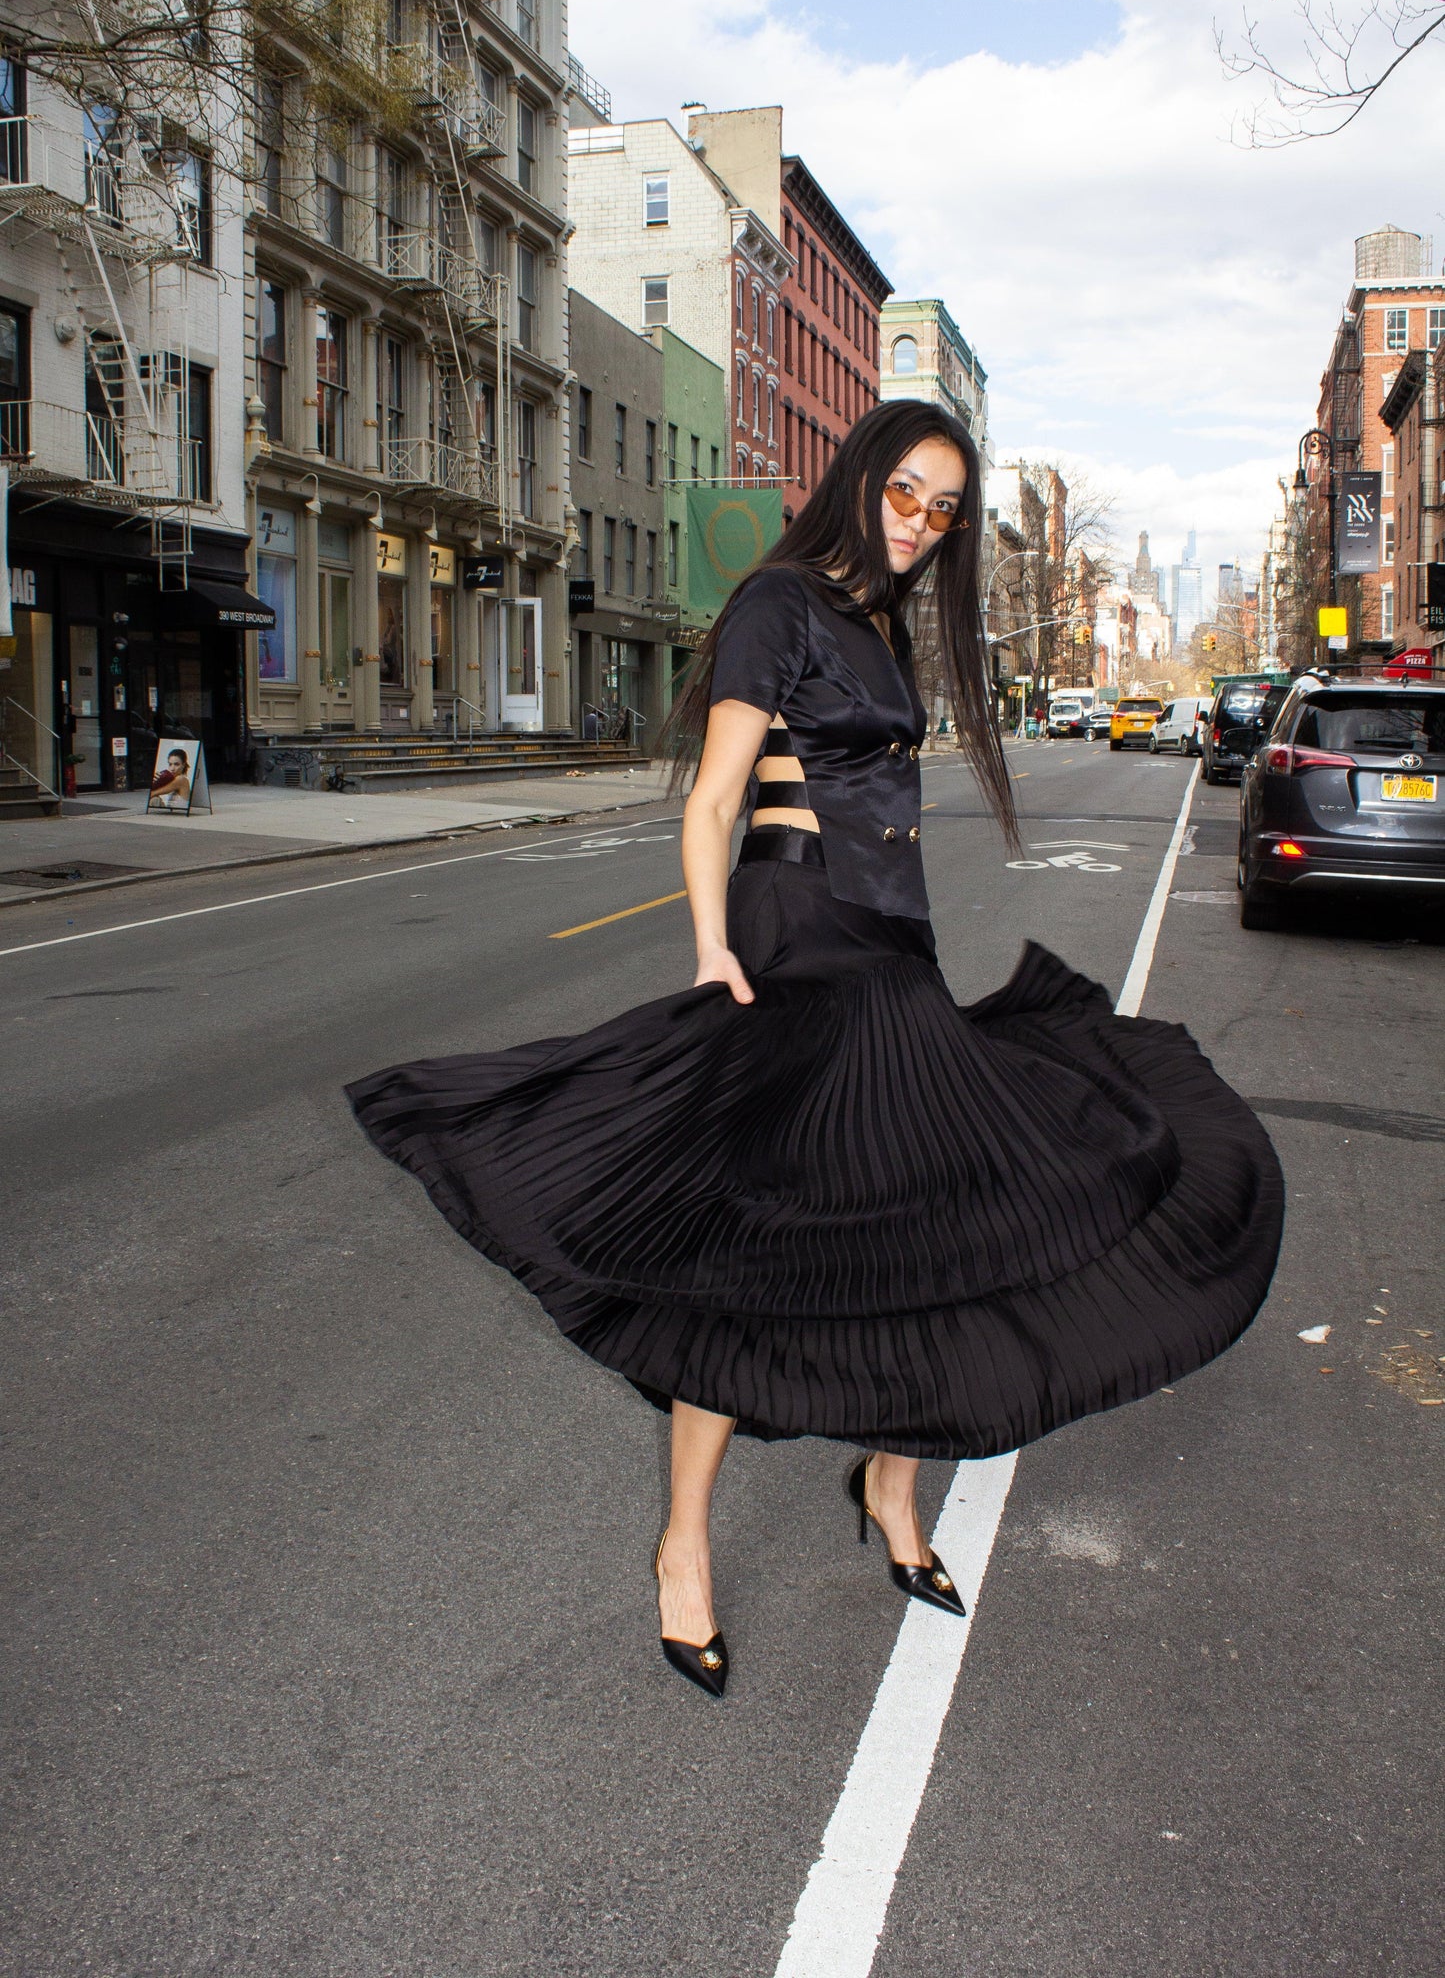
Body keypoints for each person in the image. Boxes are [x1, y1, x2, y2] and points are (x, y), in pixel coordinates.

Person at [347, 402, 1281, 1700]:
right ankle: (684, 1548)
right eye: (906, 493)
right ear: (858, 481)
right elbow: (719, 794)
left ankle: (890, 1486)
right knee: (753, 1253)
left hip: (890, 952)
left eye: (943, 508)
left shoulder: (886, 625)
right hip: (794, 937)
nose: (921, 523)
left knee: (935, 1219)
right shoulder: (778, 603)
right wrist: (713, 948)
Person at [149, 747, 191, 811]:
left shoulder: (182, 780)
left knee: (154, 800)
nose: (172, 768)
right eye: (170, 764)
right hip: (171, 813)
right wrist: (155, 778)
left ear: (183, 765)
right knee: (154, 799)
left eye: (176, 764)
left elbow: (152, 793)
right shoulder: (171, 779)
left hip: (179, 815)